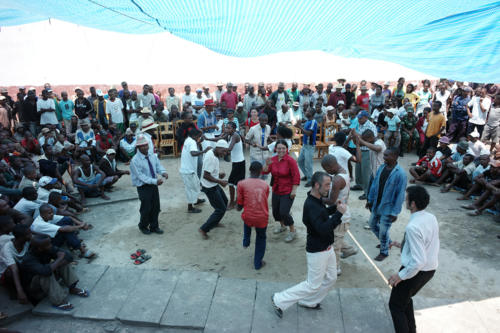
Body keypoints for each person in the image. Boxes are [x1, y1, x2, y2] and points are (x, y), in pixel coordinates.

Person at [271, 171, 346, 317]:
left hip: (327, 248)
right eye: (326, 185)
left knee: (331, 278)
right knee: (312, 285)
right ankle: (279, 299)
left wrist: (334, 208)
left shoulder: (316, 199)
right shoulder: (311, 205)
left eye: (329, 185)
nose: (329, 189)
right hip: (317, 251)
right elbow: (323, 229)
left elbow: (322, 214)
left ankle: (309, 302)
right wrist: (338, 214)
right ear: (316, 185)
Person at [388, 186, 439, 333]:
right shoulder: (431, 218)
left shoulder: (413, 227)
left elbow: (418, 260)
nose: (405, 200)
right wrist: (402, 245)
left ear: (413, 204)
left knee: (396, 306)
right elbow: (426, 244)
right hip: (429, 270)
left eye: (406, 199)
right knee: (405, 300)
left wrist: (400, 276)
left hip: (416, 271)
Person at [19, 235, 89, 310]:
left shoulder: (47, 248)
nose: (51, 246)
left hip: (46, 275)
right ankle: (58, 301)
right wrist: (59, 259)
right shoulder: (28, 259)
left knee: (63, 263)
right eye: (48, 245)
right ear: (39, 248)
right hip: (34, 286)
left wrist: (58, 261)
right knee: (46, 274)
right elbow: (45, 272)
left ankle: (72, 288)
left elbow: (69, 256)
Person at [367, 148, 407, 261]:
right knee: (372, 224)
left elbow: (400, 195)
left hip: (388, 208)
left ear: (394, 157)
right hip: (377, 204)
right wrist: (370, 200)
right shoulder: (382, 168)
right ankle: (387, 242)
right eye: (384, 155)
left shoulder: (400, 174)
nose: (384, 158)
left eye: (386, 156)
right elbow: (375, 184)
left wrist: (395, 212)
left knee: (384, 231)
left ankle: (384, 251)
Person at [321, 155, 357, 275]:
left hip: (340, 216)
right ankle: (350, 249)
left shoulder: (337, 180)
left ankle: (336, 269)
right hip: (341, 211)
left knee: (334, 245)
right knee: (336, 237)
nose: (326, 172)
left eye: (326, 169)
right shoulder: (343, 172)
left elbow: (331, 201)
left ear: (330, 166)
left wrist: (317, 198)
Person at [262, 140, 300, 242]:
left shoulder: (290, 161)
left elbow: (296, 176)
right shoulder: (273, 159)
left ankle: (292, 230)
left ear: (287, 149)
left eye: (283, 148)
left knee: (284, 212)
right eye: (279, 148)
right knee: (276, 211)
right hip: (276, 189)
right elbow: (264, 171)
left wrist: (294, 191)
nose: (281, 150)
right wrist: (266, 164)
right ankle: (282, 226)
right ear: (275, 149)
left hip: (288, 190)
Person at [130, 135, 168, 235]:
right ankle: (143, 226)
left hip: (153, 185)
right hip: (143, 187)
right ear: (138, 147)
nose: (145, 147)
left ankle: (154, 226)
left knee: (156, 206)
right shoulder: (134, 160)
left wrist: (163, 172)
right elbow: (141, 176)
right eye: (142, 146)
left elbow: (157, 166)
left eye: (146, 145)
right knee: (146, 208)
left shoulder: (151, 155)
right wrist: (155, 181)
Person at [236, 161, 270, 270]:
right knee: (261, 238)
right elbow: (265, 198)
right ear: (261, 171)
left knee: (247, 221)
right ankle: (257, 263)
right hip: (262, 217)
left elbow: (240, 203)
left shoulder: (241, 183)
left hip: (248, 216)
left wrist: (238, 207)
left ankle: (246, 241)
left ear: (249, 170)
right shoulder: (265, 185)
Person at [198, 140, 229, 239]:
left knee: (225, 201)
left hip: (213, 184)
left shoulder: (213, 153)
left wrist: (218, 175)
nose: (224, 154)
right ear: (218, 148)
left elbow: (209, 171)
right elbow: (206, 175)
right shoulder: (211, 157)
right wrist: (220, 181)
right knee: (221, 209)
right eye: (223, 151)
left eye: (225, 152)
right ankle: (204, 229)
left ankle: (215, 221)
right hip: (209, 187)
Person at [179, 129, 209, 213]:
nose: (199, 138)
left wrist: (199, 142)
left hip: (187, 169)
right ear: (194, 136)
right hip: (189, 170)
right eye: (199, 136)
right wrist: (204, 151)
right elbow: (193, 153)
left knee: (195, 185)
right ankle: (190, 208)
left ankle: (195, 200)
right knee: (192, 188)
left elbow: (192, 148)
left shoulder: (188, 140)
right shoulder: (192, 141)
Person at [0, 223, 31, 305]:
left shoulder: (27, 242)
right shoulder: (7, 248)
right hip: (7, 273)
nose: (31, 235)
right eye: (28, 234)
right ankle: (13, 291)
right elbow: (14, 269)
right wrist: (20, 291)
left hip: (21, 268)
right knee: (9, 273)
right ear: (21, 237)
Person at [223, 122, 245, 210]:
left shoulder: (235, 136)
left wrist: (218, 149)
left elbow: (230, 148)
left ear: (234, 129)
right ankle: (235, 201)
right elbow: (219, 138)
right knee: (233, 183)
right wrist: (208, 139)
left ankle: (235, 202)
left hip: (239, 163)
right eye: (226, 128)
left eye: (229, 128)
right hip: (236, 163)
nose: (227, 129)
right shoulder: (229, 135)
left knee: (234, 183)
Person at [295, 109, 318, 187]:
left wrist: (299, 127)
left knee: (308, 164)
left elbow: (309, 133)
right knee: (300, 161)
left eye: (307, 111)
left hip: (310, 146)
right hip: (305, 145)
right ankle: (307, 175)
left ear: (311, 113)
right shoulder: (308, 121)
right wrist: (298, 124)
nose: (306, 112)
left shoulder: (313, 122)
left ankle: (310, 180)